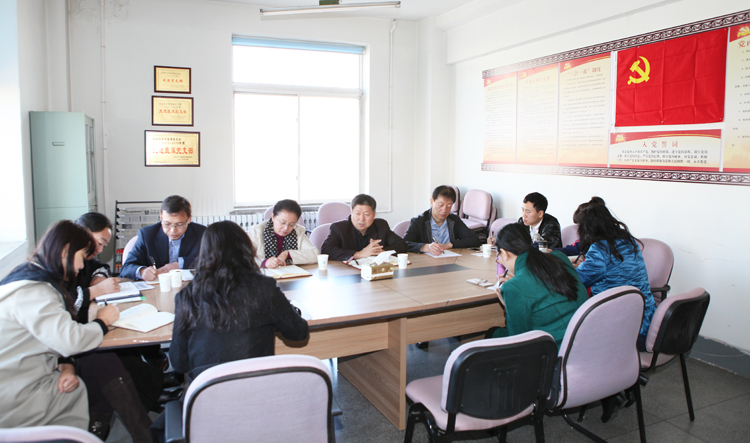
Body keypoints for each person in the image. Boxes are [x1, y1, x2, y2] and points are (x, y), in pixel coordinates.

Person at [0, 220, 119, 429]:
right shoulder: (35, 291)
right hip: (12, 391)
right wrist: (103, 321)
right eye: (82, 256)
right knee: (77, 389)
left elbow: (54, 336)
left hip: (22, 373)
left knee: (78, 384)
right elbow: (71, 340)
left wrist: (67, 364)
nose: (82, 266)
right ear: (65, 251)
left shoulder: (29, 274)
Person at [169, 221, 309, 380]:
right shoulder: (264, 288)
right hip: (257, 387)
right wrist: (287, 311)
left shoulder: (186, 296)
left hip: (209, 391)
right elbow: (298, 333)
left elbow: (179, 363)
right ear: (245, 249)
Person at [74, 213, 156, 441]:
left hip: (78, 336)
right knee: (110, 359)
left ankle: (145, 409)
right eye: (100, 242)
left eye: (104, 245)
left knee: (129, 357)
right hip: (69, 346)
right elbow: (66, 301)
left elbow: (98, 266)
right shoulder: (52, 271)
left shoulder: (81, 258)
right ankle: (144, 430)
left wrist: (98, 277)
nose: (100, 249)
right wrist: (96, 297)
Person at [573, 204, 657, 423]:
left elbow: (577, 282)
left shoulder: (599, 249)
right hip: (644, 321)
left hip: (621, 327)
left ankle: (610, 394)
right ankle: (628, 383)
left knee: (577, 338)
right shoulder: (629, 242)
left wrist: (560, 269)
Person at [490, 223, 587, 347]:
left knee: (493, 333)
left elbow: (517, 341)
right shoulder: (560, 257)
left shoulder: (513, 287)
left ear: (504, 253)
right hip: (584, 341)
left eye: (499, 256)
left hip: (554, 351)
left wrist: (508, 304)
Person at [120, 195, 207, 281]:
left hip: (189, 287)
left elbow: (211, 261)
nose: (173, 230)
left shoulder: (203, 233)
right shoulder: (147, 235)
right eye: (167, 224)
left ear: (189, 219)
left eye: (180, 224)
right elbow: (126, 268)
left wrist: (181, 264)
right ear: (161, 217)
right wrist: (142, 272)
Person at [321, 194, 407, 262]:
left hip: (374, 272)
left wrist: (381, 252)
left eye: (366, 214)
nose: (361, 219)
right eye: (357, 214)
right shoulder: (339, 228)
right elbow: (326, 250)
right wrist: (359, 254)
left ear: (374, 214)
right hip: (348, 273)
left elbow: (402, 244)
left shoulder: (381, 225)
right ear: (351, 212)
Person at [403, 185, 481, 254]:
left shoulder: (454, 220)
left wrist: (449, 245)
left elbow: (474, 240)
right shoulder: (418, 222)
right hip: (427, 262)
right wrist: (426, 247)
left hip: (450, 260)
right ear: (432, 202)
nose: (444, 210)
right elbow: (404, 244)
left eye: (449, 206)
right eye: (440, 205)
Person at [248, 199, 319, 269]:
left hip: (291, 274)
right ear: (273, 217)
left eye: (291, 225)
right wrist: (264, 263)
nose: (286, 228)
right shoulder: (256, 231)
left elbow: (315, 254)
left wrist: (288, 254)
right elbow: (245, 258)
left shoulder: (298, 231)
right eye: (282, 222)